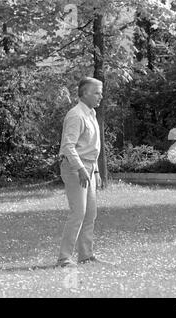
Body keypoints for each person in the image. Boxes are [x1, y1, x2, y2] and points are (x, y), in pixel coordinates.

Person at [56, 77, 103, 268]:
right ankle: (64, 258)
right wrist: (82, 169)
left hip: (89, 168)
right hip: (75, 167)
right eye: (97, 92)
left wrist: (96, 171)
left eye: (101, 92)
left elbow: (93, 147)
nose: (101, 96)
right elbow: (68, 146)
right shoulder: (76, 115)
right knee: (78, 213)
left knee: (90, 213)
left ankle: (86, 255)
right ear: (84, 94)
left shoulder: (91, 113)